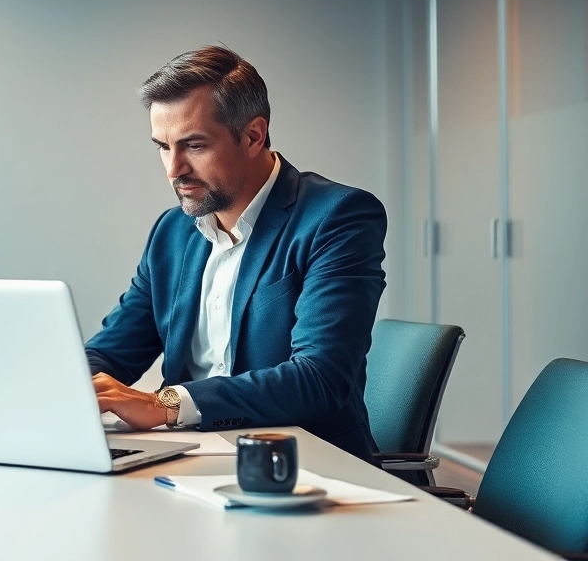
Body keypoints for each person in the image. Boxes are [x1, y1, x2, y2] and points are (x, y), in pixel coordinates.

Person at [87, 46, 386, 462]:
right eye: (163, 146)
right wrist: (62, 385)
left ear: (253, 136)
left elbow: (319, 379)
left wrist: (165, 404)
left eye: (194, 145)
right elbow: (112, 352)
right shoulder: (172, 232)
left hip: (302, 465)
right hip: (188, 456)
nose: (174, 169)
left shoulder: (337, 217)